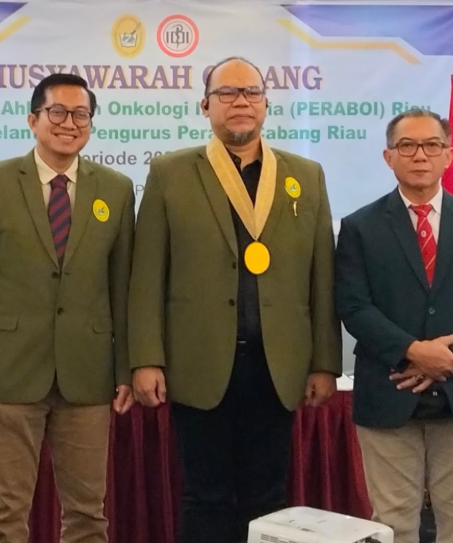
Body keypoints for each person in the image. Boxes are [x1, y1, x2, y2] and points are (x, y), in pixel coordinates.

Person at [128, 57, 342, 543]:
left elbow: (321, 276)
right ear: (205, 106)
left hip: (277, 364)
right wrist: (145, 358)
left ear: (266, 104)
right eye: (227, 93)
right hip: (198, 363)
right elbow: (146, 276)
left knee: (270, 499)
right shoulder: (170, 173)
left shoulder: (305, 175)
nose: (240, 101)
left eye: (251, 92)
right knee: (205, 497)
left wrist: (324, 362)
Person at [0, 73, 135, 543]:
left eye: (81, 115)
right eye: (57, 112)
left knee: (88, 516)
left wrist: (125, 369)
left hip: (88, 375)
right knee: (7, 515)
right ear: (33, 120)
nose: (69, 123)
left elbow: (122, 289)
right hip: (11, 373)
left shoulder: (116, 189)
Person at [335, 108, 453, 543]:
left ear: (449, 155)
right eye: (407, 146)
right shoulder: (360, 227)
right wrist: (413, 351)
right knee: (392, 529)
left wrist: (445, 356)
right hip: (389, 393)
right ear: (388, 157)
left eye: (431, 145)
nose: (420, 155)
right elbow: (353, 306)